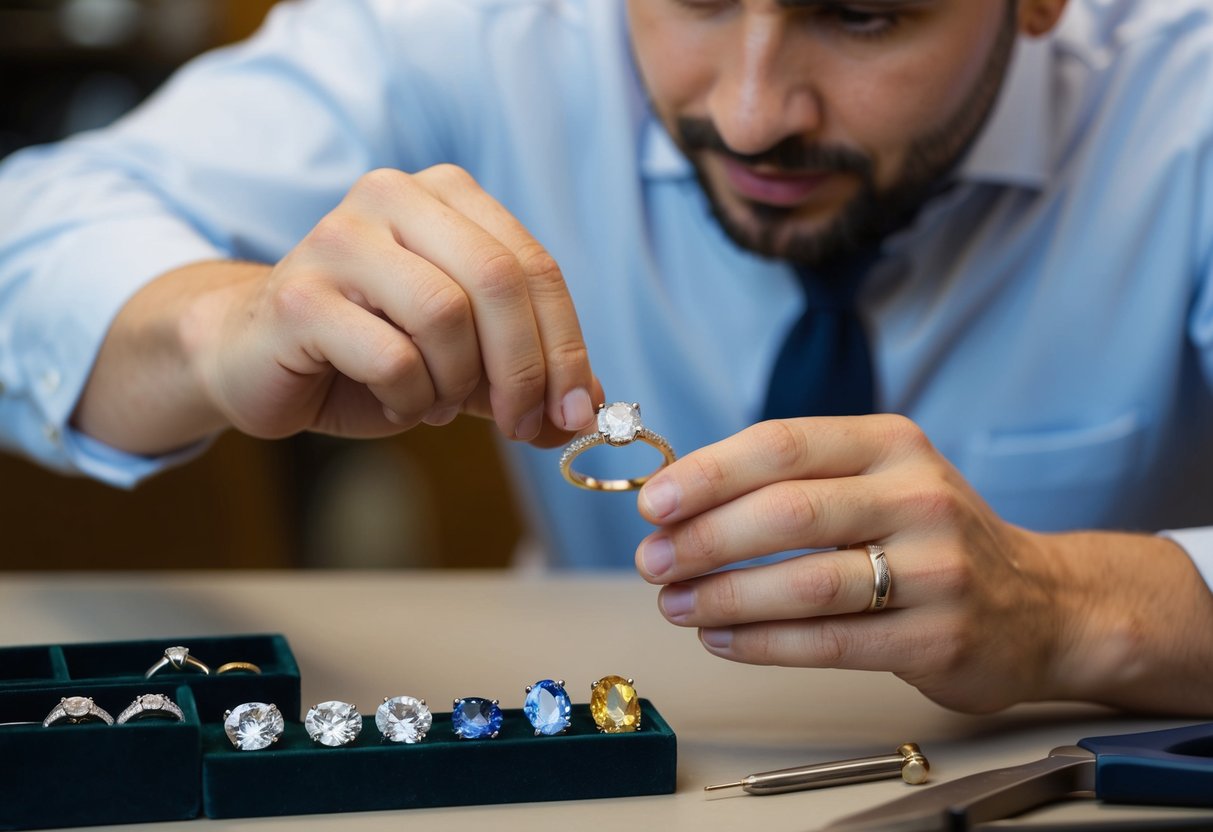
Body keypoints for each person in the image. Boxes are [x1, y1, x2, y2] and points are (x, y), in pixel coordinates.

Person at [1, 0, 1211, 715]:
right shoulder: (481, 30)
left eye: (862, 12)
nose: (748, 115)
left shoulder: (1186, 93)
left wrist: (1074, 606)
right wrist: (223, 323)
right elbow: (32, 234)